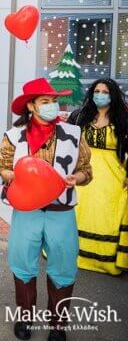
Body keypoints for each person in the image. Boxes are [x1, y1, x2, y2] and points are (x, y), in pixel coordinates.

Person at [0, 78, 92, 341]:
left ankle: (58, 325)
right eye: (45, 101)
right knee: (22, 263)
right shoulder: (14, 136)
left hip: (61, 210)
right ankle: (25, 319)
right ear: (31, 106)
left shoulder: (73, 133)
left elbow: (86, 170)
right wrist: (11, 175)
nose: (52, 106)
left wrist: (76, 178)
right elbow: (2, 167)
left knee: (63, 265)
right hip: (27, 210)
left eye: (54, 101)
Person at [67, 78, 128, 275]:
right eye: (97, 91)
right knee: (76, 213)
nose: (100, 95)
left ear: (113, 95)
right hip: (82, 173)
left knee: (106, 216)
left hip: (112, 178)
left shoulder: (123, 119)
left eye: (105, 92)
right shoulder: (79, 116)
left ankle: (104, 260)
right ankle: (69, 254)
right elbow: (65, 142)